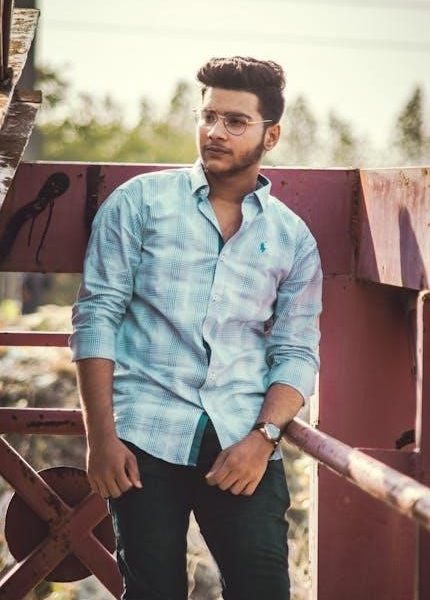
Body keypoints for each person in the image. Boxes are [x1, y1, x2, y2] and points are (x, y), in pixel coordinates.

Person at [70, 56, 322, 600]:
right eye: (207, 116)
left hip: (242, 439)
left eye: (235, 121)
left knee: (263, 589)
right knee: (154, 591)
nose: (215, 132)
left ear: (271, 135)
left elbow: (297, 351)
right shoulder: (138, 203)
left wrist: (263, 439)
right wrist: (101, 439)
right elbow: (96, 316)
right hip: (144, 435)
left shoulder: (292, 238)